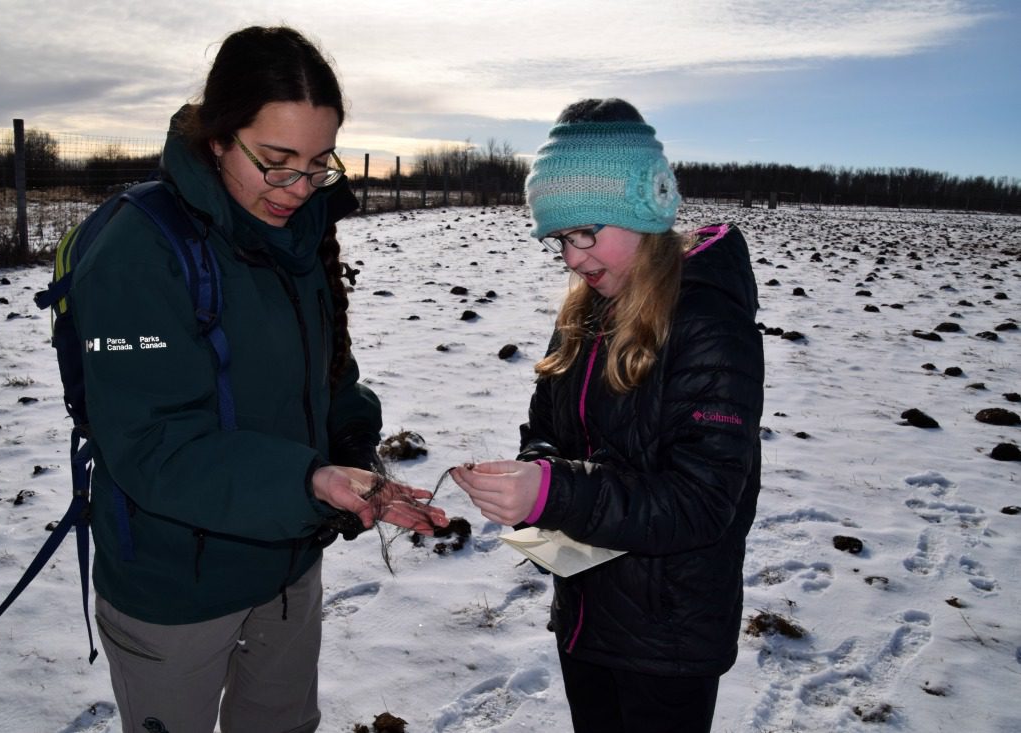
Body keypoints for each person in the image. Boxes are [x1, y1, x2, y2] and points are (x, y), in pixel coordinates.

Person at [71, 25, 447, 733]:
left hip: (288, 566)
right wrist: (308, 481)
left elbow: (327, 375)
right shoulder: (139, 249)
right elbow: (154, 443)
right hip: (175, 585)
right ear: (218, 138)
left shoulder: (301, 237)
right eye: (276, 161)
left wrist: (349, 452)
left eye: (318, 164)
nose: (299, 187)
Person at [451, 98, 764, 733]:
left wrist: (556, 490)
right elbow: (547, 430)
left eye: (587, 231)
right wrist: (532, 480)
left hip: (667, 636)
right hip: (587, 612)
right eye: (561, 238)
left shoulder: (706, 323)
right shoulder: (584, 314)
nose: (573, 257)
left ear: (646, 208)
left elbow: (703, 503)